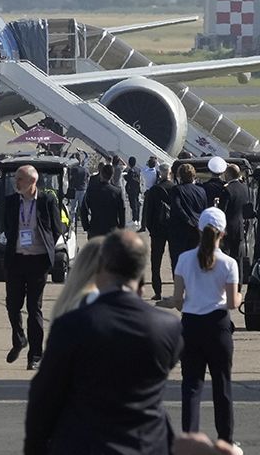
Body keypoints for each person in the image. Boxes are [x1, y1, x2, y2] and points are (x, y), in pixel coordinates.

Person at [24, 230, 183, 455]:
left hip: (85, 444)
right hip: (145, 444)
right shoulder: (168, 328)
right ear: (140, 272)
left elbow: (44, 396)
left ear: (102, 267)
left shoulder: (72, 325)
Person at [170, 206, 242, 444]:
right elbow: (232, 302)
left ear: (200, 230)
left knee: (191, 385)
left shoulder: (184, 259)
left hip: (190, 324)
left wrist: (167, 302)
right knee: (222, 386)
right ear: (222, 233)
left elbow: (178, 301)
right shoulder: (229, 263)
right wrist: (241, 296)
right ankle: (225, 441)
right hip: (218, 324)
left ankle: (189, 440)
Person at [0, 165, 63, 370]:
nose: (16, 183)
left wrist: (46, 245)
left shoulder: (47, 200)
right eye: (16, 179)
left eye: (20, 180)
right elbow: (6, 226)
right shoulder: (10, 202)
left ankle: (35, 355)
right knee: (12, 306)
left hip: (38, 261)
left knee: (34, 308)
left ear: (32, 182)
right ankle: (19, 339)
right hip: (16, 260)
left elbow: (56, 228)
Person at [170, 163, 211, 272]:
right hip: (197, 230)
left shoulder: (176, 190)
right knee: (195, 262)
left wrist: (188, 220)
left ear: (179, 175)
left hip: (181, 231)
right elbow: (205, 210)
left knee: (179, 263)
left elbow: (177, 208)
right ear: (193, 175)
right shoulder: (201, 190)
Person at [144, 163, 175, 298]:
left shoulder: (154, 190)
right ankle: (178, 289)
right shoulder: (175, 189)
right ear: (170, 173)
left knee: (156, 262)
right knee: (175, 260)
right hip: (173, 229)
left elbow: (148, 212)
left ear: (160, 173)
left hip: (157, 229)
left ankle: (157, 291)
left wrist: (150, 228)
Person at [79, 162, 128, 238]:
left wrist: (87, 227)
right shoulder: (117, 192)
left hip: (95, 230)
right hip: (112, 231)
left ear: (101, 174)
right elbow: (122, 212)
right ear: (112, 176)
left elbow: (83, 210)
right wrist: (121, 229)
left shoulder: (91, 191)